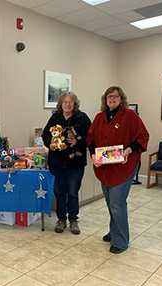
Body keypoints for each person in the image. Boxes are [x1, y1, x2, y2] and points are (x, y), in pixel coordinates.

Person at [87, 86, 149, 254]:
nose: (112, 99)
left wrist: (129, 149)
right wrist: (93, 155)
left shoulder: (130, 115)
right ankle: (113, 231)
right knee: (110, 201)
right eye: (109, 96)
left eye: (115, 96)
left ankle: (120, 241)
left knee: (117, 203)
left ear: (121, 99)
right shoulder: (100, 117)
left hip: (124, 166)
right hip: (105, 168)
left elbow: (143, 136)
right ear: (105, 99)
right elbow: (91, 139)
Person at [42, 92, 91, 235]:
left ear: (75, 104)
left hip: (75, 162)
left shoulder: (82, 118)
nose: (67, 104)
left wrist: (78, 142)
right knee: (59, 192)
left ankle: (74, 220)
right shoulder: (55, 117)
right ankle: (61, 220)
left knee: (73, 192)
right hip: (56, 162)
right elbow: (45, 134)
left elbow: (91, 137)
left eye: (70, 102)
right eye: (65, 102)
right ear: (60, 104)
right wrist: (49, 141)